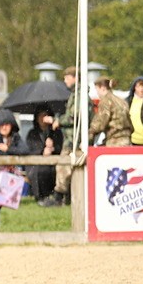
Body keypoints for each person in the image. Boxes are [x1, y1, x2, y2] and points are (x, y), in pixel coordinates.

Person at [40, 66, 87, 207]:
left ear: (75, 78)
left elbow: (75, 117)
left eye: (67, 77)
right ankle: (62, 197)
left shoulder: (79, 95)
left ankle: (58, 198)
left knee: (63, 167)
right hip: (73, 139)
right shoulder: (77, 94)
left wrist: (57, 121)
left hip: (74, 140)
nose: (65, 80)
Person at [24, 106, 59, 202]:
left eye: (45, 115)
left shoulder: (56, 132)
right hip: (37, 164)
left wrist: (53, 147)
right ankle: (41, 197)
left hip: (54, 162)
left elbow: (61, 147)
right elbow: (29, 149)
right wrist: (42, 151)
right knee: (40, 172)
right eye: (40, 115)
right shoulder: (32, 133)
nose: (42, 118)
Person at [88, 78, 132, 146]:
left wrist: (90, 134)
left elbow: (100, 123)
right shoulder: (122, 101)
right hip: (127, 140)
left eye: (97, 89)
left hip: (114, 141)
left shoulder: (105, 101)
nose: (97, 93)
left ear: (102, 88)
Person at [128, 76, 143, 146]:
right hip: (133, 140)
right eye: (138, 86)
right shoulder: (129, 102)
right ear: (134, 88)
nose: (141, 89)